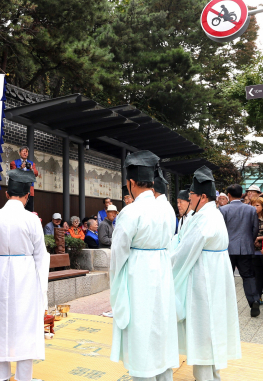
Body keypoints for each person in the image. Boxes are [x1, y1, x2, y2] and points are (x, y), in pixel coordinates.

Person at [110, 150, 178, 381]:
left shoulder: (130, 212)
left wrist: (115, 288)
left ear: (131, 183)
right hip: (162, 271)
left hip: (138, 275)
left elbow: (118, 254)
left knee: (140, 330)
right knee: (161, 327)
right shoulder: (166, 209)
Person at [172, 166, 241, 381]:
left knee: (202, 330)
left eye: (191, 195)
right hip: (214, 276)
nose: (189, 199)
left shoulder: (204, 218)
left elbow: (184, 253)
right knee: (212, 329)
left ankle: (206, 378)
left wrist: (165, 270)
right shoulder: (212, 213)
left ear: (202, 196)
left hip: (204, 280)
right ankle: (212, 376)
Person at [0, 169, 49, 381]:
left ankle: (1, 376)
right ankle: (24, 378)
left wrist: (1, 270)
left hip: (1, 271)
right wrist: (40, 284)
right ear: (27, 196)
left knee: (0, 323)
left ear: (6, 194)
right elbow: (40, 255)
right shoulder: (32, 219)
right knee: (25, 323)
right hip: (26, 272)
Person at [219, 184, 261, 317]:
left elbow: (221, 230)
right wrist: (250, 240)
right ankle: (254, 300)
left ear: (229, 195)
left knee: (226, 277)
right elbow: (255, 229)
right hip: (246, 247)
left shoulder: (223, 209)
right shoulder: (251, 210)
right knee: (248, 276)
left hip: (227, 248)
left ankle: (223, 306)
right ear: (242, 195)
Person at [250, 197, 263, 306]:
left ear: (262, 207)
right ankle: (258, 297)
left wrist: (258, 239)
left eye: (258, 205)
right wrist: (252, 240)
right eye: (253, 205)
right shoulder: (249, 219)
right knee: (257, 276)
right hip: (253, 251)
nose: (255, 208)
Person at [10, 146, 39, 212]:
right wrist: (20, 168)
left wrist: (31, 169)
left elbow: (36, 174)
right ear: (20, 153)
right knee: (18, 209)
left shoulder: (32, 163)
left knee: (29, 210)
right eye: (23, 151)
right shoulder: (14, 163)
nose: (25, 153)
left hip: (29, 189)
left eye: (26, 152)